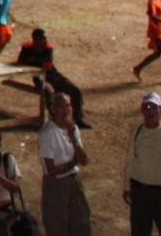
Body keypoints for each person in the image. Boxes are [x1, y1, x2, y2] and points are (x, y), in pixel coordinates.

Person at [124, 91, 161, 236]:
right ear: (142, 110)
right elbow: (130, 161)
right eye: (146, 107)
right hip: (140, 192)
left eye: (154, 107)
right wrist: (127, 186)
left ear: (160, 109)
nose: (150, 110)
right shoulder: (137, 132)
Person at [38, 93, 93, 236]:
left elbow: (84, 160)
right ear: (53, 109)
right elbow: (51, 170)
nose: (66, 110)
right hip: (56, 184)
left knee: (81, 223)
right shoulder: (48, 134)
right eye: (61, 107)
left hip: (73, 181)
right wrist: (73, 162)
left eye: (68, 106)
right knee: (57, 226)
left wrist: (73, 138)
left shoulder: (72, 129)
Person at [16, 28, 89, 128]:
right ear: (35, 39)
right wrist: (36, 61)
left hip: (53, 75)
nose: (45, 41)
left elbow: (46, 63)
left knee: (75, 91)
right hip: (39, 77)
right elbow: (21, 61)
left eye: (45, 38)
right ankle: (56, 120)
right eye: (42, 39)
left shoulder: (48, 48)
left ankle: (78, 119)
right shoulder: (27, 47)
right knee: (48, 93)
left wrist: (32, 60)